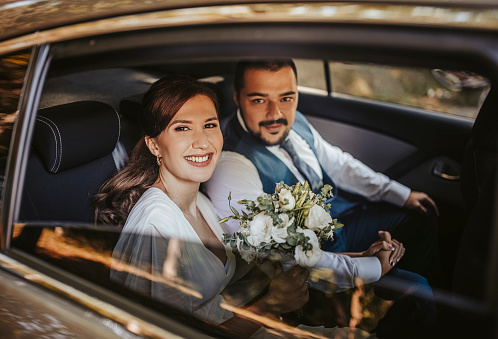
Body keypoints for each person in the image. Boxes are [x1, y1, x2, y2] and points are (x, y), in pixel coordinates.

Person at [91, 75, 391, 338]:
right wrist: (271, 305)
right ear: (155, 145)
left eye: (209, 125)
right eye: (182, 128)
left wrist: (358, 257)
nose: (203, 141)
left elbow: (266, 257)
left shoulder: (203, 204)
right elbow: (168, 332)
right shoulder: (156, 226)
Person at [204, 59, 442, 284]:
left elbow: (338, 163)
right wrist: (370, 266)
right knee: (416, 288)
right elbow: (282, 256)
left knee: (422, 217)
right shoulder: (231, 164)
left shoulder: (295, 121)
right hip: (315, 262)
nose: (275, 113)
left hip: (340, 223)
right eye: (259, 100)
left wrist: (399, 193)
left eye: (286, 98)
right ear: (237, 97)